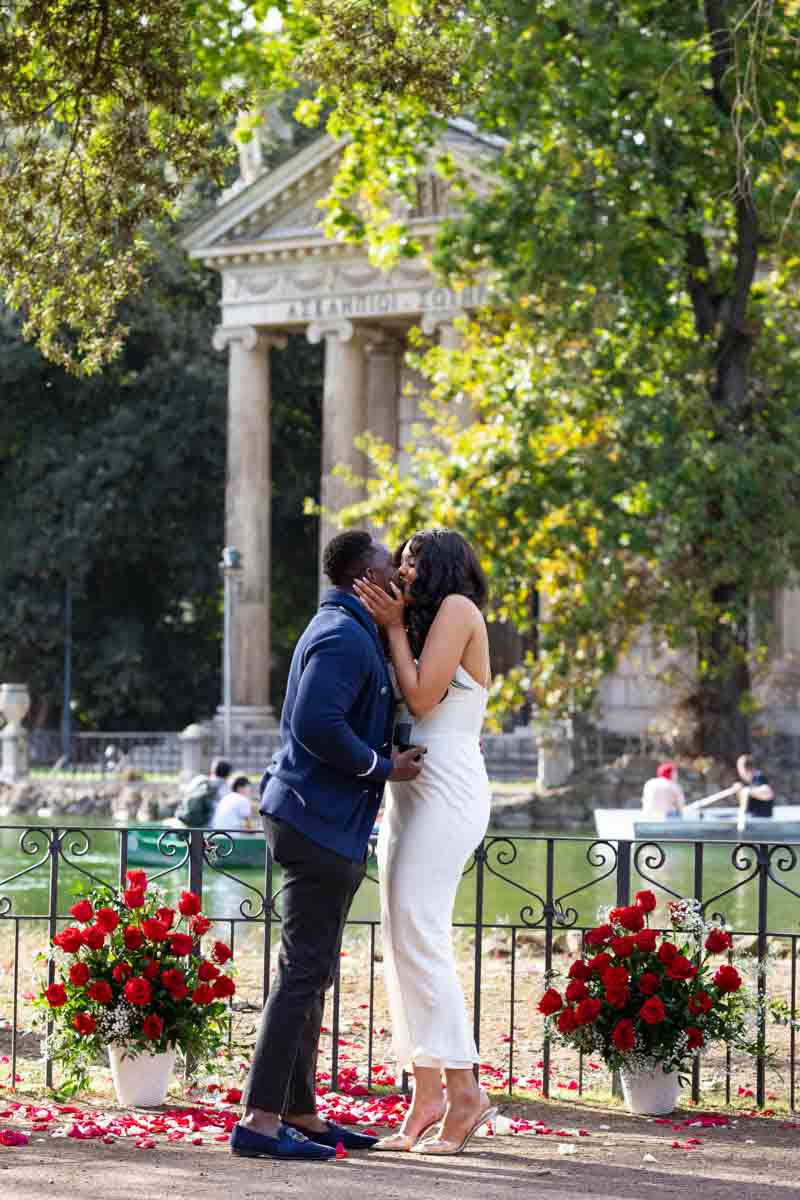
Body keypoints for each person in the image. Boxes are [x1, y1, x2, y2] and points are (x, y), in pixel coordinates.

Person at [230, 530, 425, 1163]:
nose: (397, 574)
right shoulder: (342, 635)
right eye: (385, 567)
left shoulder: (351, 630)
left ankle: (299, 1112)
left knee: (310, 973)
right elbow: (317, 724)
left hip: (323, 821)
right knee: (301, 974)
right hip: (316, 822)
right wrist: (382, 767)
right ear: (359, 580)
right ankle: (259, 1121)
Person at [353, 528, 497, 1156]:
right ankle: (426, 1094)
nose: (401, 571)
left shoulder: (459, 611)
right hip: (409, 788)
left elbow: (421, 694)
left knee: (422, 932)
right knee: (401, 936)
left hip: (448, 787)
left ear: (437, 567)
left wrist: (390, 628)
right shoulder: (418, 624)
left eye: (410, 561)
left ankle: (465, 1094)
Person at [735, 754, 774, 831]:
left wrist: (747, 791)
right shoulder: (749, 781)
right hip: (754, 821)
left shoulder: (758, 776)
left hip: (762, 824)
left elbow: (768, 793)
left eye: (739, 767)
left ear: (745, 768)